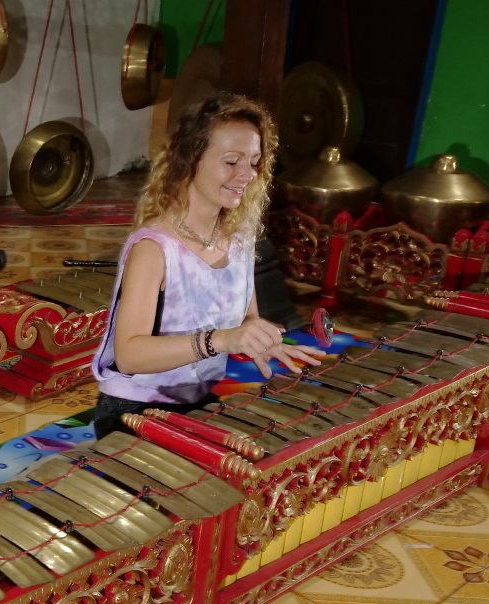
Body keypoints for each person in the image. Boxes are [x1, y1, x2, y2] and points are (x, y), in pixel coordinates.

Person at [90, 92, 323, 439]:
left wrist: (261, 339)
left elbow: (248, 317)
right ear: (190, 160)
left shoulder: (240, 238)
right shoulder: (154, 248)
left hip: (198, 402)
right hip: (135, 412)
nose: (247, 175)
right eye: (231, 161)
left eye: (255, 161)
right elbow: (129, 356)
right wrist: (222, 340)